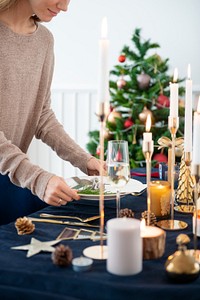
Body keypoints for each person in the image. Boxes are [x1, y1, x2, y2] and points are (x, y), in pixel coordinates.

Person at [0, 0, 104, 225]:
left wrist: (84, 159)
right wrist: (37, 179)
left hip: (8, 177)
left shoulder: (44, 40)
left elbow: (42, 116)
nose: (65, 6)